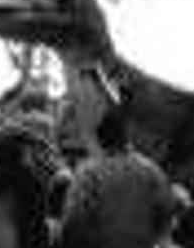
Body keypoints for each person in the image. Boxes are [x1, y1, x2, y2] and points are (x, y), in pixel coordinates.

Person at [58, 105, 177, 248]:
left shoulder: (89, 173)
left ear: (101, 139)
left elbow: (74, 220)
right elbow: (166, 213)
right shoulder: (152, 171)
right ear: (127, 137)